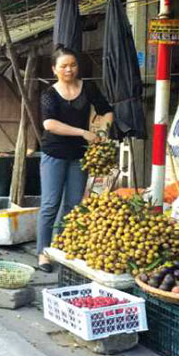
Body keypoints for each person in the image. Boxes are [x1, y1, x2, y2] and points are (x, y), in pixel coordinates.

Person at [36, 46, 114, 272]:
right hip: (54, 153)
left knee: (73, 205)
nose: (69, 69)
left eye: (72, 65)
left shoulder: (88, 87)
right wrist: (82, 132)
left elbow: (107, 110)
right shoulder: (49, 94)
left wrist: (102, 131)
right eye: (63, 66)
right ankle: (43, 253)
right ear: (54, 69)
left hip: (80, 156)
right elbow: (49, 124)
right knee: (50, 204)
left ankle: (61, 248)